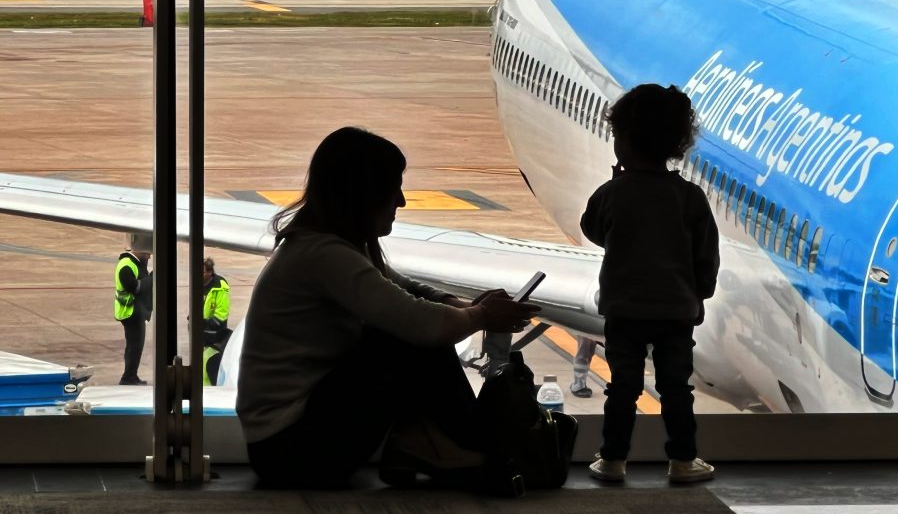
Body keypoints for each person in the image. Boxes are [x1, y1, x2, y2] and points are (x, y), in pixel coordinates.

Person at [236, 126, 539, 489]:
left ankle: (457, 447)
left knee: (416, 327)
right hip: (290, 453)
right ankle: (473, 446)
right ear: (363, 193)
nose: (401, 201)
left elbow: (406, 289)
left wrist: (467, 307)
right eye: (393, 188)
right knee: (405, 337)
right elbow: (420, 322)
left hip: (288, 445)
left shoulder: (330, 248)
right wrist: (482, 316)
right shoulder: (323, 256)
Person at [582, 84, 719, 485]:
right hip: (675, 311)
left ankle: (612, 460)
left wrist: (616, 188)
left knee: (622, 388)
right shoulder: (690, 197)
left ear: (623, 142)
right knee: (676, 388)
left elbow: (592, 230)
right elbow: (706, 257)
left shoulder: (613, 193)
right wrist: (700, 295)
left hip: (624, 310)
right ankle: (682, 460)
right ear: (677, 143)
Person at [113, 240, 152, 386]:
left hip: (136, 312)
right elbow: (135, 287)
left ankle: (131, 375)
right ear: (139, 251)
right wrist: (153, 278)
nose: (149, 257)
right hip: (130, 312)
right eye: (147, 254)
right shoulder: (126, 265)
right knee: (134, 346)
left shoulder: (135, 263)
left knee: (135, 346)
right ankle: (128, 377)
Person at [201, 257, 232, 385]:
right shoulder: (198, 283)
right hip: (201, 327)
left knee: (211, 358)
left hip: (214, 331)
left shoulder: (220, 286)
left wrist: (206, 323)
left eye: (202, 272)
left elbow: (222, 313)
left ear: (209, 272)